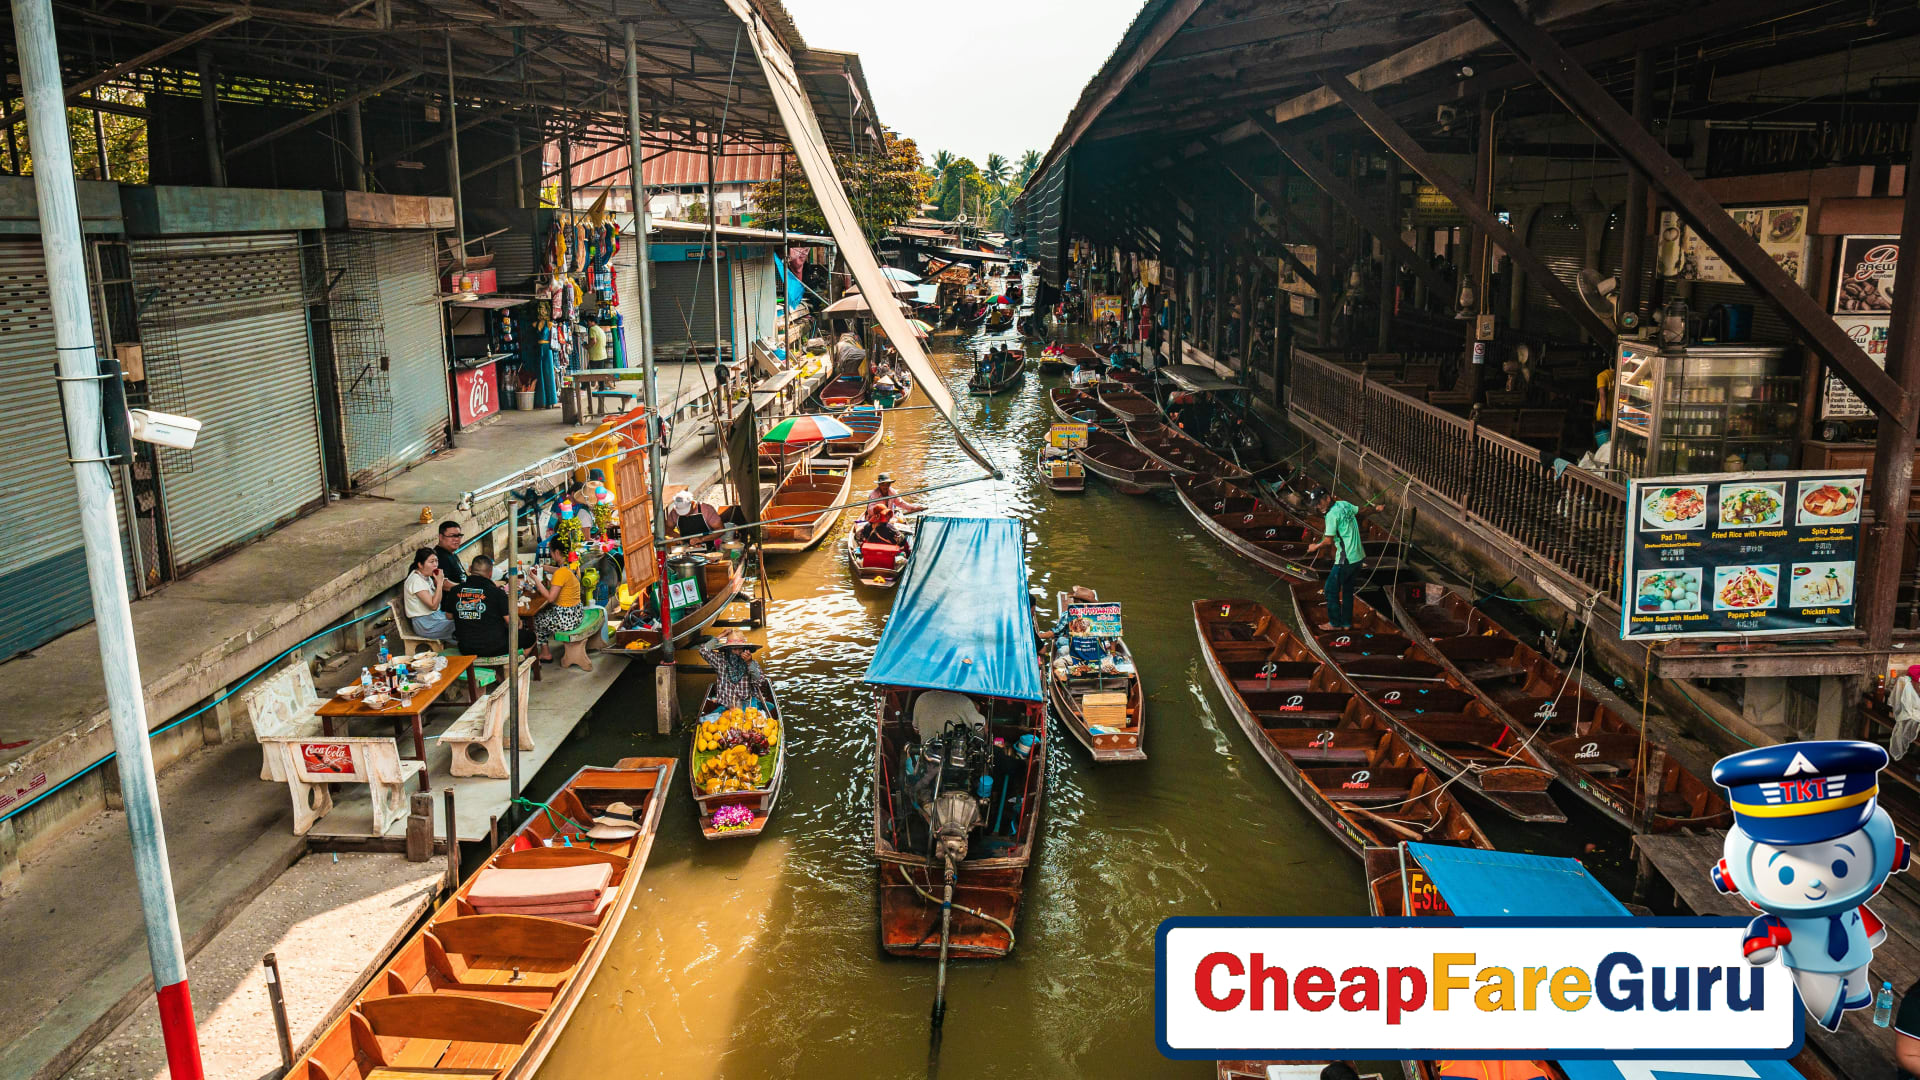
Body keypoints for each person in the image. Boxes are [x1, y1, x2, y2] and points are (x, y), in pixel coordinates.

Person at [1304, 488, 1384, 632]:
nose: (1318, 506)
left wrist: (1315, 546)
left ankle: (1335, 623)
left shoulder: (1331, 515)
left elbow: (1328, 541)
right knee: (1347, 590)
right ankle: (1346, 624)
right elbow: (1361, 511)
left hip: (1346, 559)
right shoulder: (1344, 504)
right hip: (1358, 557)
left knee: (1329, 590)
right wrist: (1376, 509)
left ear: (1328, 499)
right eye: (1315, 504)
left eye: (1319, 502)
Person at [529, 541, 584, 661]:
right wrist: (543, 567)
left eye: (552, 553)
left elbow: (550, 598)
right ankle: (544, 649)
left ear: (557, 552)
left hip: (567, 620)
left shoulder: (560, 574)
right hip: (577, 614)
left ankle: (545, 653)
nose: (551, 556)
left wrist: (536, 580)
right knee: (545, 612)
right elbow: (558, 571)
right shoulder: (572, 566)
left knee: (537, 618)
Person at [451, 555, 512, 659]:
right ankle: (512, 668)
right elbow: (510, 622)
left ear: (470, 569)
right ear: (491, 573)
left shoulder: (455, 590)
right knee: (530, 637)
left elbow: (449, 615)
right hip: (494, 647)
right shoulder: (497, 593)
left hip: (466, 648)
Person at [697, 629, 767, 713]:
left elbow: (759, 682)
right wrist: (721, 636)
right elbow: (703, 650)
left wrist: (749, 663)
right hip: (726, 705)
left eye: (740, 649)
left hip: (746, 704)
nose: (737, 652)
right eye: (734, 649)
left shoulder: (752, 663)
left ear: (744, 649)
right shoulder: (720, 660)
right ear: (728, 649)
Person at [403, 548, 456, 641]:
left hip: (436, 617)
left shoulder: (426, 577)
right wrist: (439, 583)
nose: (435, 565)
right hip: (426, 625)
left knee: (463, 617)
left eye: (436, 561)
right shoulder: (416, 581)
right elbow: (433, 606)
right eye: (431, 562)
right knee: (461, 625)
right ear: (420, 565)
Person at [431, 519, 466, 613]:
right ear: (441, 537)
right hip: (451, 606)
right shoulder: (438, 557)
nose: (457, 539)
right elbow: (442, 584)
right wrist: (467, 590)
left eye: (459, 536)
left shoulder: (451, 554)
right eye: (452, 536)